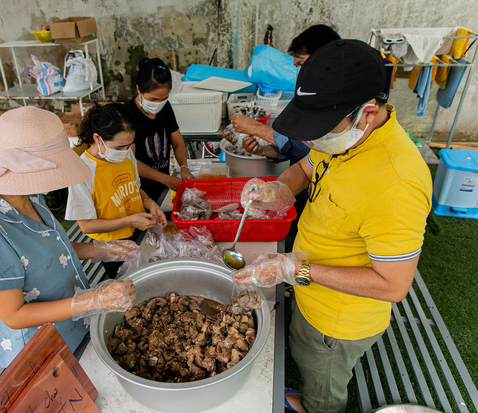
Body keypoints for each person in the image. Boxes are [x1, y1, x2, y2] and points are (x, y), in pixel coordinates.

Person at [233, 40, 432, 413]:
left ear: (367, 114)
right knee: (306, 357)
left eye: (319, 130)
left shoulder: (396, 183)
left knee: (323, 383)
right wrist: (278, 188)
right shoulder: (342, 136)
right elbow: (306, 167)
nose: (312, 139)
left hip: (338, 322)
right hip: (310, 293)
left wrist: (295, 268)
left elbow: (394, 285)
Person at [0, 106, 138, 368]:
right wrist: (92, 300)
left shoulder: (31, 195)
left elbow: (50, 248)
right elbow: (14, 315)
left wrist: (98, 250)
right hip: (41, 350)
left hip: (76, 324)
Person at [233, 24, 340, 250]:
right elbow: (300, 153)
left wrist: (257, 128)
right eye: (297, 66)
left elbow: (313, 150)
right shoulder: (306, 99)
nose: (299, 73)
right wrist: (263, 151)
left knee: (318, 248)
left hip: (327, 205)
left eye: (302, 64)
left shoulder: (339, 108)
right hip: (300, 195)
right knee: (297, 238)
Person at [65, 102, 167, 278]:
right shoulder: (82, 171)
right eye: (120, 147)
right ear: (98, 139)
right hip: (113, 247)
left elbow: (135, 189)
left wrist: (151, 204)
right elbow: (87, 226)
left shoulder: (126, 155)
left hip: (140, 230)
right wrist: (130, 221)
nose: (126, 151)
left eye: (129, 144)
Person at [124, 58, 195, 203]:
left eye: (164, 99)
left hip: (162, 188)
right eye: (153, 99)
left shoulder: (165, 108)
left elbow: (178, 143)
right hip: (139, 190)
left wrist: (183, 167)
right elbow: (129, 160)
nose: (158, 104)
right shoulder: (127, 115)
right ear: (138, 90)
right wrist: (164, 178)